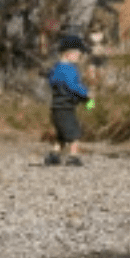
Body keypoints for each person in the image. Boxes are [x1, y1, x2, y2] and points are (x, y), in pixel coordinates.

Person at [46, 36, 93, 165]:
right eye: (78, 53)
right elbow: (74, 86)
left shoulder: (55, 68)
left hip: (55, 108)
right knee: (74, 134)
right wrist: (86, 93)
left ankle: (53, 155)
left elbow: (52, 82)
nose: (80, 56)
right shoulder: (69, 70)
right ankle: (73, 157)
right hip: (66, 108)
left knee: (61, 134)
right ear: (69, 53)